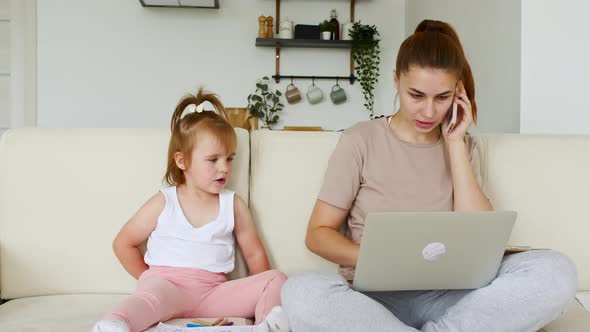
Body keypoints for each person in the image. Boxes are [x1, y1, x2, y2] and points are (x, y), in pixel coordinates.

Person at [281, 20, 577, 332]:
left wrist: (454, 143)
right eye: (416, 95)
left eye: (442, 98)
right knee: (301, 291)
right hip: (375, 303)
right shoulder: (360, 139)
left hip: (454, 298)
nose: (428, 112)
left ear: (457, 92)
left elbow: (478, 235)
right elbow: (317, 233)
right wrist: (381, 258)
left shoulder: (463, 145)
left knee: (557, 271)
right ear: (396, 80)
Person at [92, 89, 289, 332]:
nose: (224, 168)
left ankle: (269, 324)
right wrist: (148, 279)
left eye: (229, 159)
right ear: (182, 161)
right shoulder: (165, 201)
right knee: (146, 299)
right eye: (213, 159)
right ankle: (115, 323)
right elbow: (123, 243)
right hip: (167, 286)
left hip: (214, 293)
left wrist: (258, 291)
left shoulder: (233, 204)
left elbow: (255, 256)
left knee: (276, 279)